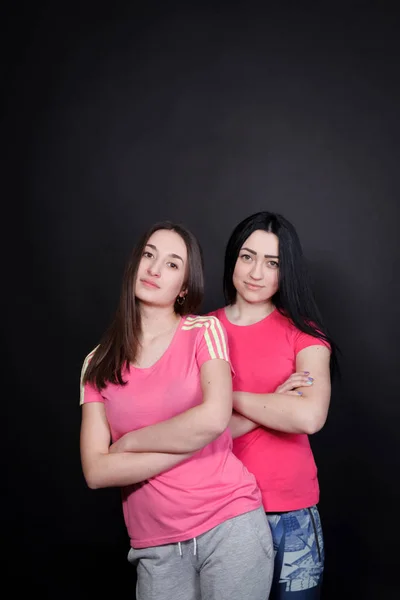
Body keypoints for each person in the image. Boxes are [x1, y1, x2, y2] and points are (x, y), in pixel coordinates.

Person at [79, 221, 274, 600]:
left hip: (229, 524)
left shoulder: (204, 331)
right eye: (149, 256)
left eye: (172, 264)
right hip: (155, 545)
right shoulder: (96, 363)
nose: (154, 269)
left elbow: (215, 419)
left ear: (184, 286)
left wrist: (130, 443)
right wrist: (194, 438)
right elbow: (96, 471)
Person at [208, 211, 338, 599]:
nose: (256, 272)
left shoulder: (305, 335)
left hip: (291, 514)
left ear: (287, 271)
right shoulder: (199, 333)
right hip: (218, 511)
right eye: (247, 257)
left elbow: (309, 416)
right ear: (233, 258)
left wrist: (227, 399)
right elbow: (198, 433)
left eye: (273, 262)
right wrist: (275, 400)